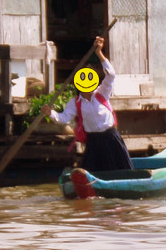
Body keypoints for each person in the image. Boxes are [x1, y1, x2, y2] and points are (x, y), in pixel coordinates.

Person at [41, 36, 133, 172]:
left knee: (121, 170)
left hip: (110, 137)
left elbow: (111, 75)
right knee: (91, 172)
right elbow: (64, 118)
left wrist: (99, 53)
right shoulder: (75, 102)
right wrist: (51, 113)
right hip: (93, 141)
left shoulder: (101, 93)